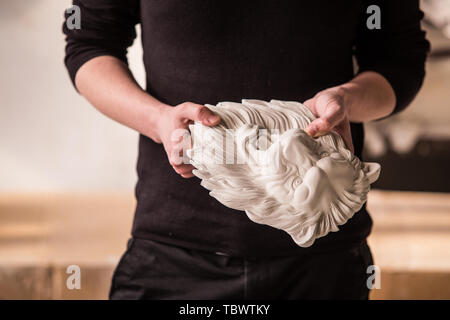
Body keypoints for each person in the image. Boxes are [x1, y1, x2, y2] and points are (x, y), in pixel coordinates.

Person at [63, 0, 429, 299]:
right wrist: (157, 120)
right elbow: (89, 43)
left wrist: (347, 99)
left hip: (323, 264)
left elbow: (399, 58)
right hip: (173, 253)